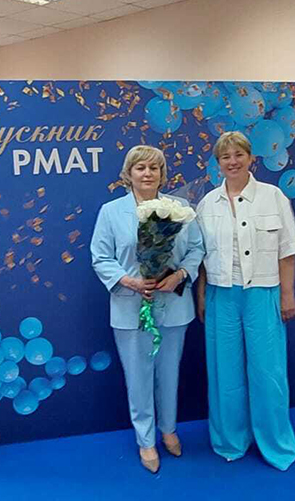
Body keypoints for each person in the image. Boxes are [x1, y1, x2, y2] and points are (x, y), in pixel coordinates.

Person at [90, 145, 204, 474]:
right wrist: (129, 281)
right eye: (140, 167)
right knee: (138, 378)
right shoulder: (111, 212)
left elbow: (196, 249)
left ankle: (168, 430)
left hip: (174, 306)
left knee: (169, 374)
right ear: (128, 174)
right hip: (130, 308)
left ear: (162, 174)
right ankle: (146, 441)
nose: (147, 173)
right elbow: (100, 257)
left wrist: (179, 276)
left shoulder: (180, 209)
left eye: (154, 168)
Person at [196, 131, 295, 471]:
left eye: (238, 155)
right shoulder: (206, 204)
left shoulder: (273, 197)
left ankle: (275, 443)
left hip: (263, 293)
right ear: (218, 164)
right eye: (225, 157)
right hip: (220, 295)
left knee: (267, 372)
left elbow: (288, 251)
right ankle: (231, 441)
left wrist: (287, 294)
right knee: (224, 373)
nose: (233, 162)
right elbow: (200, 259)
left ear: (250, 158)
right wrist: (202, 297)